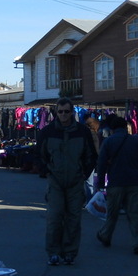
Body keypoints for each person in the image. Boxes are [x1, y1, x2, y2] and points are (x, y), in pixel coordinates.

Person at [37, 97, 97, 266]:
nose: (63, 115)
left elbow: (91, 155)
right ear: (56, 112)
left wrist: (84, 174)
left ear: (72, 112)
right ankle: (53, 252)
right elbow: (39, 154)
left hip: (75, 181)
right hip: (55, 181)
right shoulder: (47, 132)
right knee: (54, 217)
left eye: (67, 112)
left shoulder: (82, 132)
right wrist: (46, 171)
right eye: (60, 111)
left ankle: (70, 252)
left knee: (73, 218)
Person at [95, 115, 138, 255]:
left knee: (112, 213)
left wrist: (101, 183)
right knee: (134, 214)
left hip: (115, 182)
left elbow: (101, 164)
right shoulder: (135, 142)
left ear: (113, 129)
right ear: (126, 127)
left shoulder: (108, 142)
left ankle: (105, 236)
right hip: (134, 182)